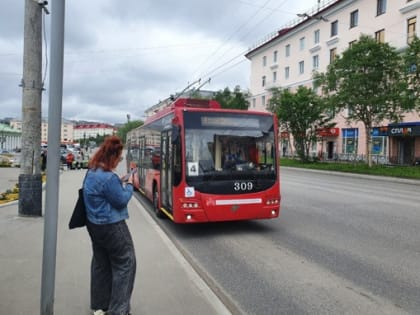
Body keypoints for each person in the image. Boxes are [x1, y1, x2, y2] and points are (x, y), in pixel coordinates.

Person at [83, 136, 136, 315]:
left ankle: (100, 305)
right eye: (119, 157)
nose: (119, 160)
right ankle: (118, 311)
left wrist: (118, 182)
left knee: (101, 263)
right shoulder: (107, 178)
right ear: (112, 156)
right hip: (112, 227)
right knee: (126, 263)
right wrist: (129, 185)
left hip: (93, 225)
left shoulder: (92, 171)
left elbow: (103, 193)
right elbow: (120, 201)